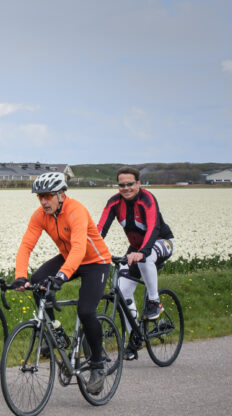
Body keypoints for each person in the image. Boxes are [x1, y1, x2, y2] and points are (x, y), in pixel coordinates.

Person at [12, 172, 112, 394]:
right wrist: (20, 276)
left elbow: (79, 248)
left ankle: (98, 365)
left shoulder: (76, 211)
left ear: (61, 195)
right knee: (37, 281)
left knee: (86, 312)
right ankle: (55, 331)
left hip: (95, 262)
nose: (43, 201)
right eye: (40, 197)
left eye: (48, 196)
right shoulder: (40, 215)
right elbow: (26, 246)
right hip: (69, 258)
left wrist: (62, 276)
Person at [97, 166, 175, 360]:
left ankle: (154, 301)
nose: (126, 188)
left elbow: (153, 228)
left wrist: (142, 252)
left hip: (161, 242)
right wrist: (90, 250)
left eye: (130, 184)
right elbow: (100, 229)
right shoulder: (114, 202)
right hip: (136, 248)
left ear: (138, 183)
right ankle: (135, 338)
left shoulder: (147, 199)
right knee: (122, 290)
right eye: (121, 185)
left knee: (145, 259)